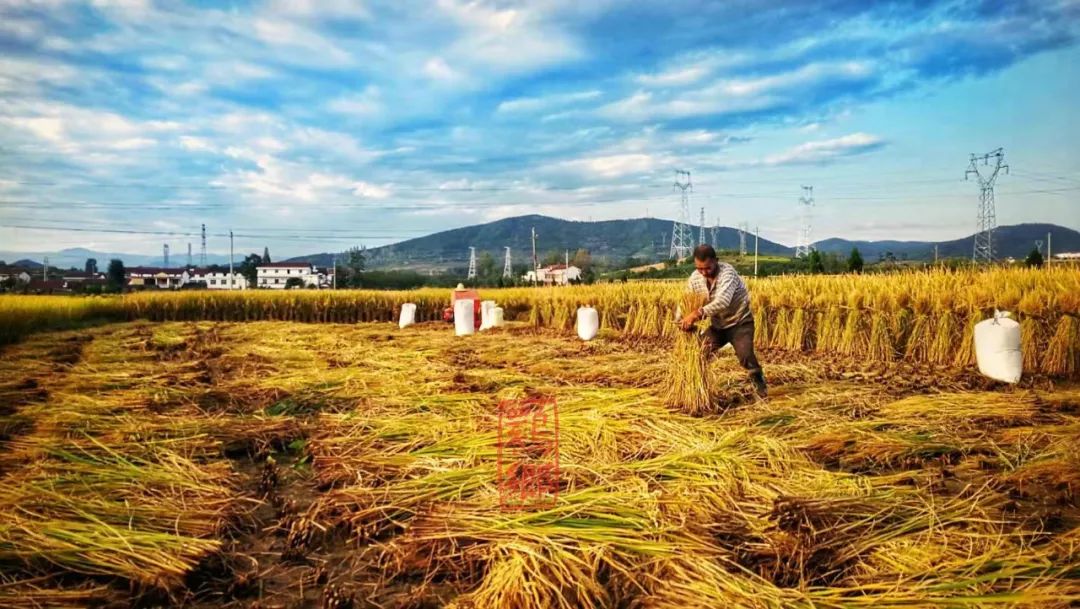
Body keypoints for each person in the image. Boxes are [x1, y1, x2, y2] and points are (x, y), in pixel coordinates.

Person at [678, 244, 767, 398]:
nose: (704, 272)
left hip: (739, 323)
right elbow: (686, 299)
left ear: (716, 261)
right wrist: (679, 319)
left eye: (707, 268)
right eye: (699, 268)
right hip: (718, 325)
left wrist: (696, 314)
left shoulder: (728, 274)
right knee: (699, 350)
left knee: (745, 355)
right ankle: (696, 388)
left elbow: (722, 302)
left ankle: (759, 383)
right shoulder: (695, 277)